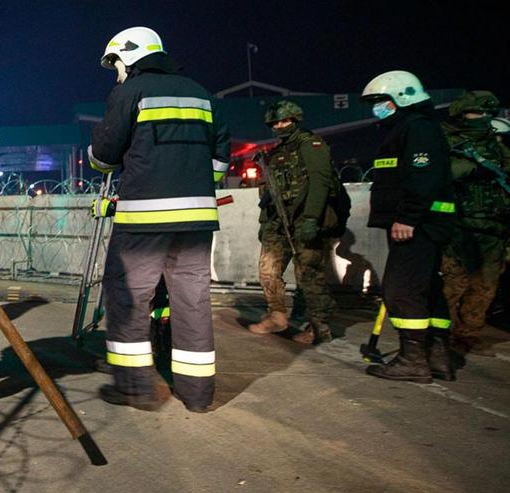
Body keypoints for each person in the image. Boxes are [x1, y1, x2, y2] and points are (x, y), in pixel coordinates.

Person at [88, 26, 230, 413]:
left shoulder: (130, 92)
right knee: (192, 301)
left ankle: (135, 389)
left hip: (143, 222)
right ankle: (198, 395)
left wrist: (96, 154)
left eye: (115, 62)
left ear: (128, 56)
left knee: (130, 301)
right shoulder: (202, 93)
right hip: (198, 221)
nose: (114, 70)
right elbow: (220, 160)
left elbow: (105, 155)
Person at [361, 70, 457, 382]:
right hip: (425, 223)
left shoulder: (417, 129)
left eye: (381, 101)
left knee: (401, 290)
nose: (377, 107)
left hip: (418, 224)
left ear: (401, 97)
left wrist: (408, 217)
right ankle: (436, 354)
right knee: (427, 289)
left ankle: (413, 359)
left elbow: (422, 176)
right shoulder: (412, 128)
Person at [249, 100, 342, 345]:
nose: (279, 125)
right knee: (268, 269)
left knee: (309, 274)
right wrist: (265, 222)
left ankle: (319, 327)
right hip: (279, 222)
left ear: (295, 120)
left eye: (284, 120)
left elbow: (320, 182)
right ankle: (277, 316)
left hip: (305, 219)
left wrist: (312, 218)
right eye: (275, 122)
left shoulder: (311, 145)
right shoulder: (278, 152)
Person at [439, 91, 510, 356]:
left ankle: (467, 335)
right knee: (454, 284)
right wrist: (471, 168)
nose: (484, 119)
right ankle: (443, 333)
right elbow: (444, 172)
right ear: (462, 114)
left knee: (485, 286)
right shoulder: (446, 141)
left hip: (493, 227)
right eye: (478, 113)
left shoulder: (497, 145)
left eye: (488, 114)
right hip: (459, 227)